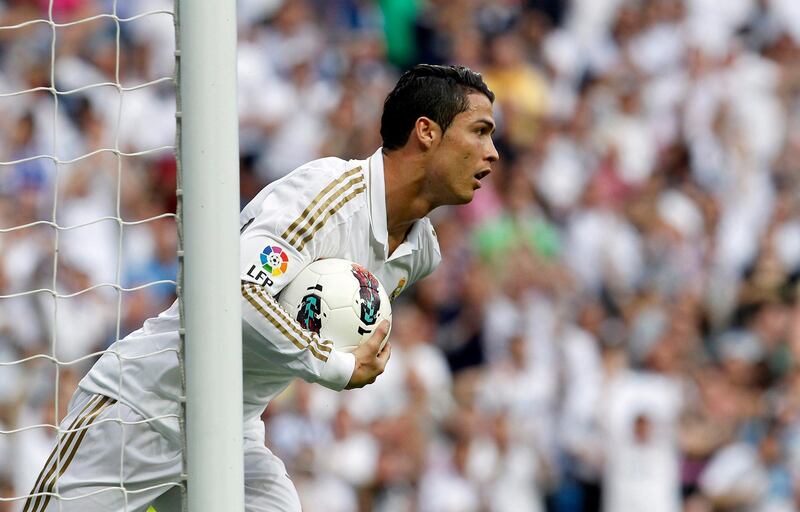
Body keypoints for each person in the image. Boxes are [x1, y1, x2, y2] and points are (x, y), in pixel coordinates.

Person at [22, 64, 498, 512]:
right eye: (480, 131)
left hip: (233, 429)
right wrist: (334, 364)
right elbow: (235, 294)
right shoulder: (328, 195)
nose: (492, 153)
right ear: (427, 131)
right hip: (146, 406)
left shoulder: (421, 253)